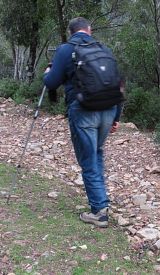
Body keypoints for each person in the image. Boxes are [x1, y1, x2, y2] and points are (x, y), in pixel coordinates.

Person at [43, 17, 122, 227]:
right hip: (108, 109)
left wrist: (47, 73)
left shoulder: (66, 50)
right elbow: (118, 84)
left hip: (84, 110)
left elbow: (51, 82)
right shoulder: (104, 49)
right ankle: (101, 200)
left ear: (71, 32)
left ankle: (99, 212)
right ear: (89, 30)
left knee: (88, 159)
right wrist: (116, 117)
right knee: (96, 153)